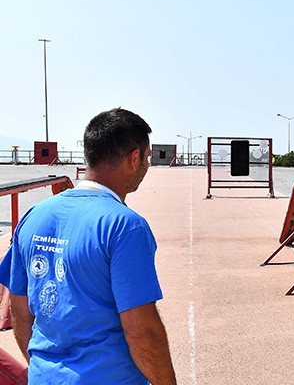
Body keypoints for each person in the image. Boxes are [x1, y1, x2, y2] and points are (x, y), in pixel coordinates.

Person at [0, 108, 177, 384]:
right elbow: (141, 330)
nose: (147, 165)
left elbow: (19, 309)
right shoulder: (125, 226)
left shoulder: (34, 216)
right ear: (134, 158)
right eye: (147, 158)